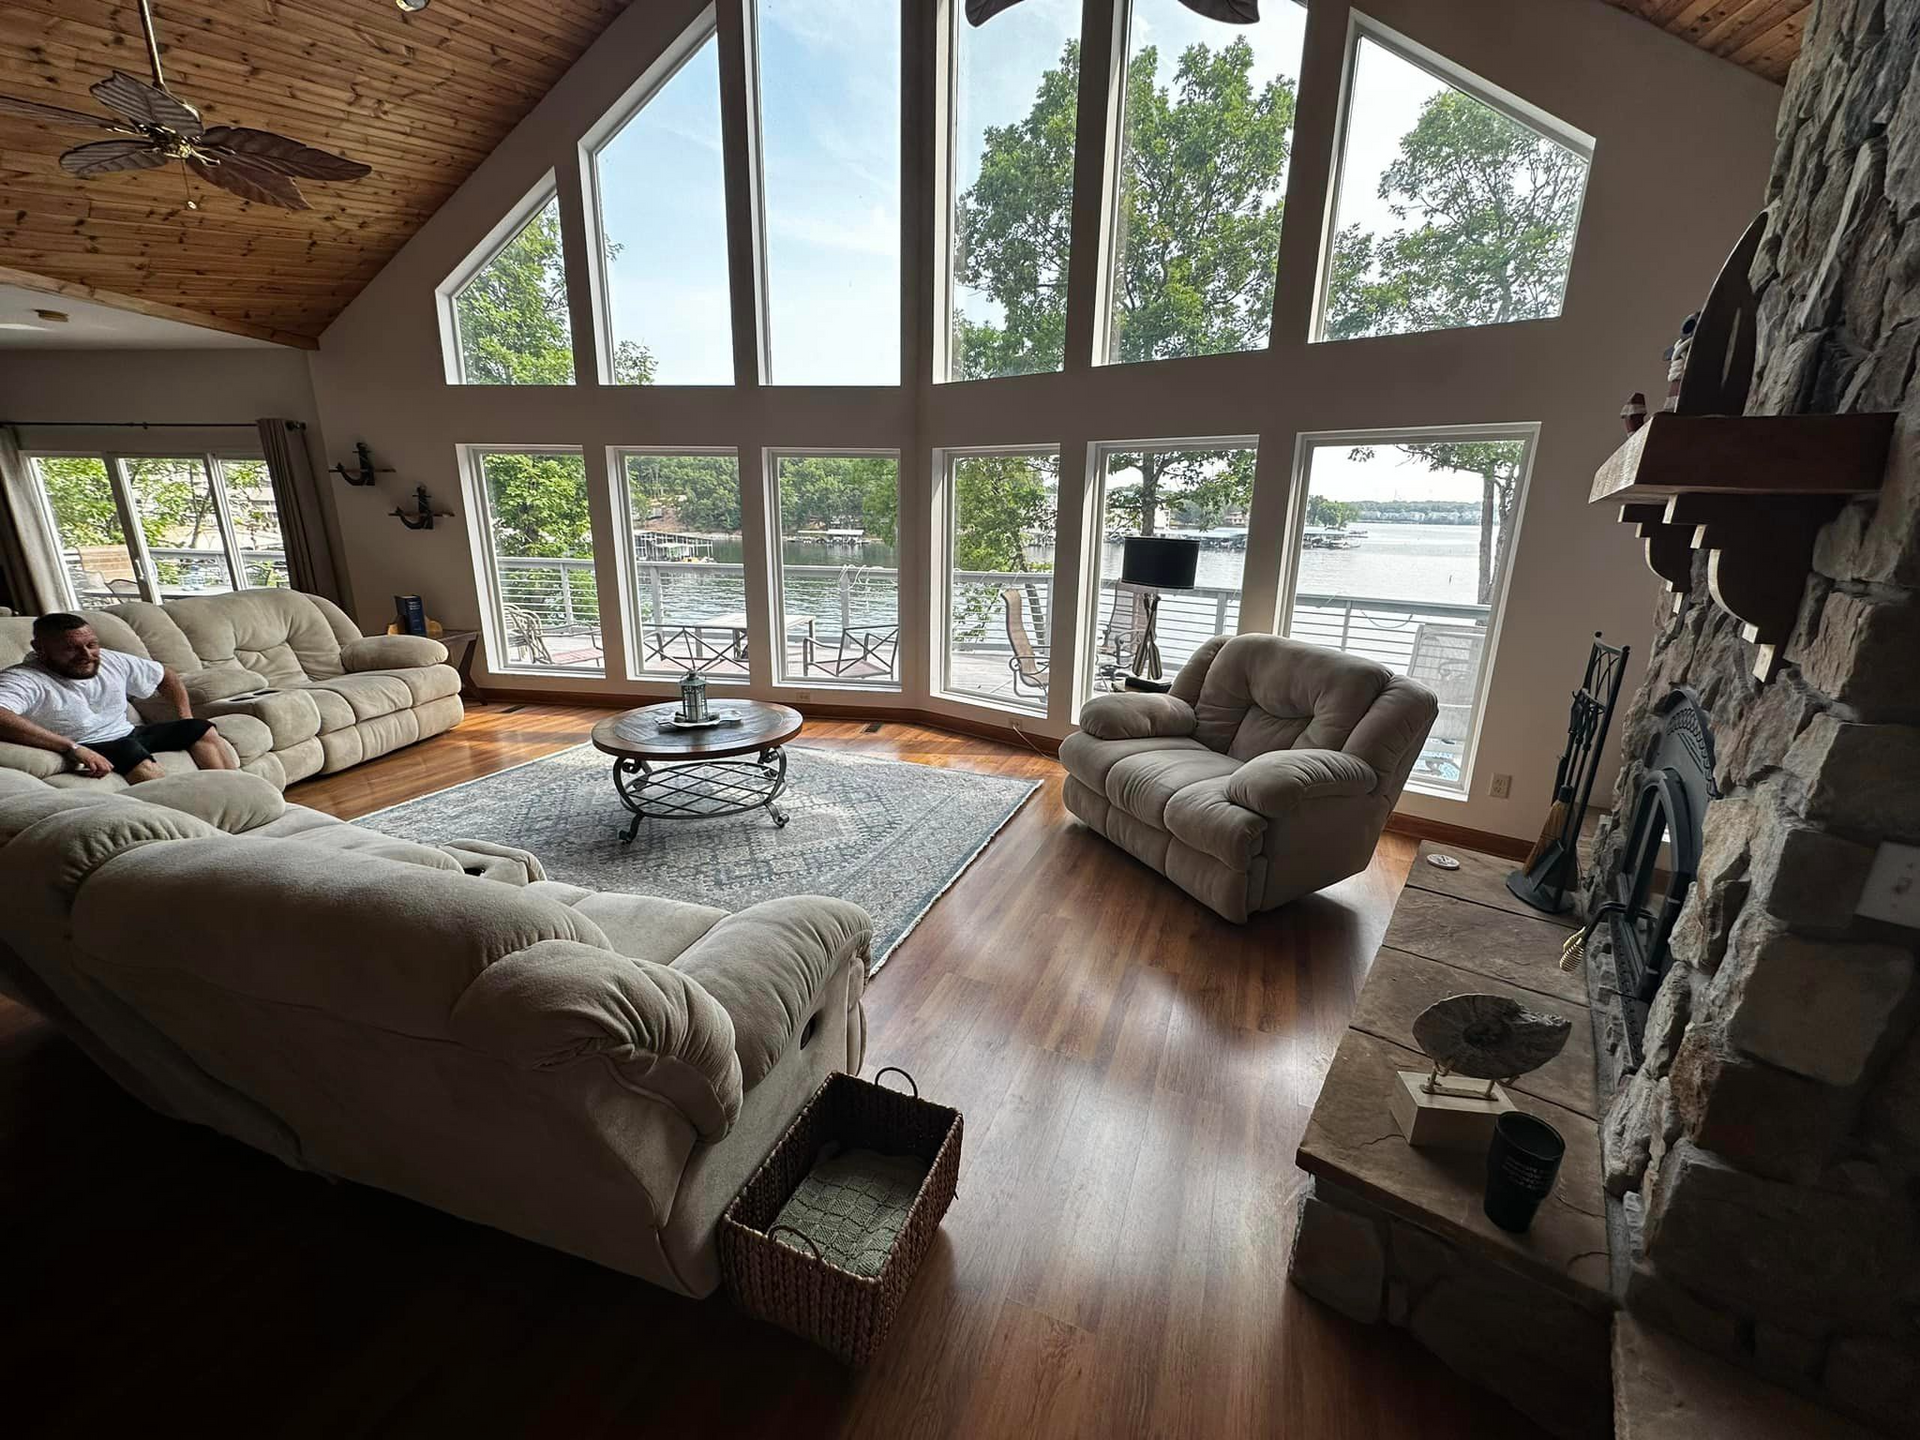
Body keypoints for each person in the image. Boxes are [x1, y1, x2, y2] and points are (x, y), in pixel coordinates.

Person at [0, 613, 238, 785]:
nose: (87, 655)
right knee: (128, 749)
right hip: (86, 742)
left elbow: (167, 676)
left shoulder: (111, 660)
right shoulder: (25, 678)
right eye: (70, 649)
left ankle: (236, 790)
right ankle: (182, 818)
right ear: (39, 648)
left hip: (126, 731)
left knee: (200, 728)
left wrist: (184, 717)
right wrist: (71, 747)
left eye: (92, 645)